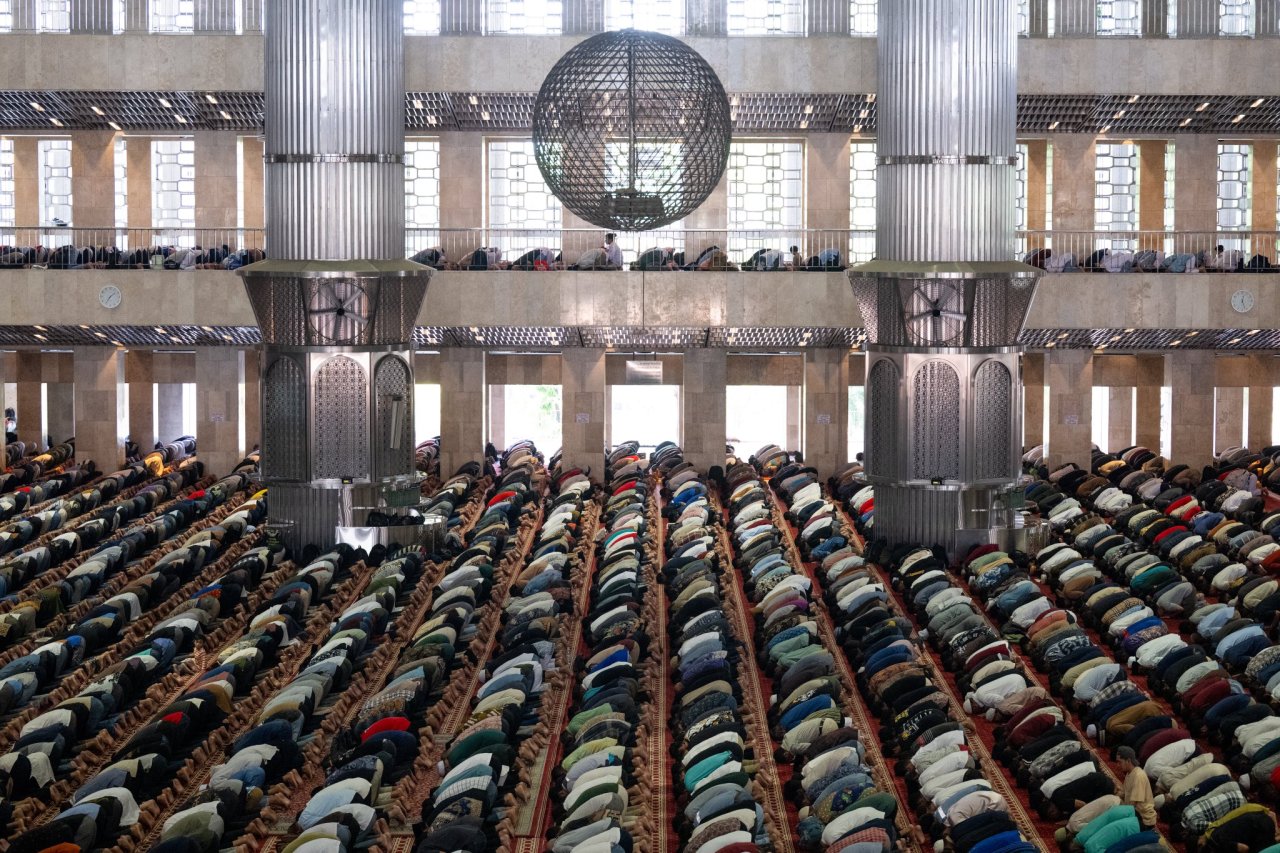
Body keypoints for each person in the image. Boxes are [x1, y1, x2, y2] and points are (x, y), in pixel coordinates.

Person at [1116, 746, 1156, 831]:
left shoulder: (1139, 776)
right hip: (1134, 814)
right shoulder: (1129, 774)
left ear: (1128, 761)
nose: (1117, 765)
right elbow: (1124, 794)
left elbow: (1132, 806)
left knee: (1116, 827)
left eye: (1120, 762)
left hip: (1143, 820)